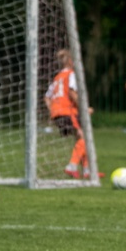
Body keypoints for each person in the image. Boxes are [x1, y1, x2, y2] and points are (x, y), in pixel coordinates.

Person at [44, 49, 96, 179]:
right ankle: (72, 166)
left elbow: (47, 97)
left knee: (80, 139)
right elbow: (72, 93)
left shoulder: (57, 77)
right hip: (68, 112)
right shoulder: (71, 74)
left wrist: (53, 110)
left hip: (57, 113)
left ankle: (87, 171)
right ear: (70, 61)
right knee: (84, 138)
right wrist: (84, 109)